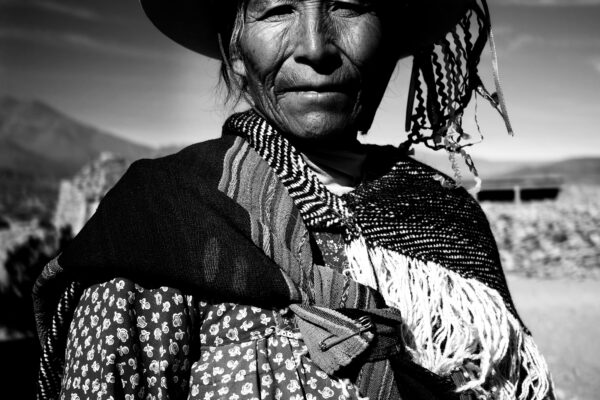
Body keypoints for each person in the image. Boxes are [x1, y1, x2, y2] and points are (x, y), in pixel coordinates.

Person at [33, 0, 555, 399]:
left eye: (348, 5)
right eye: (278, 9)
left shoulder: (446, 213)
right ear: (235, 54)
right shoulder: (162, 219)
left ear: (389, 41)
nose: (316, 46)